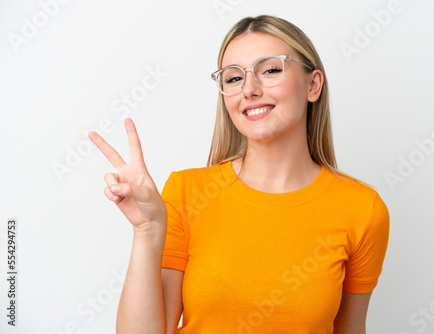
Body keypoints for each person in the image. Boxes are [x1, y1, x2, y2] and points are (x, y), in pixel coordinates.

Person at [89, 15, 390, 334]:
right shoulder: (186, 192)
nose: (249, 89)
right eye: (233, 78)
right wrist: (148, 230)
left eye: (271, 70)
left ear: (312, 85)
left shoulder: (363, 210)